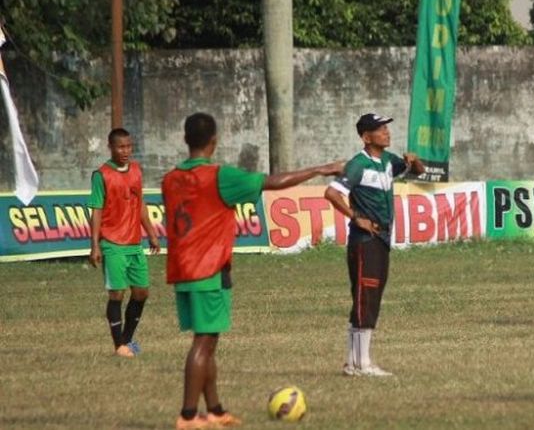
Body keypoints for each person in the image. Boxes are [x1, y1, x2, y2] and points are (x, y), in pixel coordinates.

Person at [163, 113, 343, 429]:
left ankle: (215, 410)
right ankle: (188, 415)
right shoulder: (219, 176)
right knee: (203, 344)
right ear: (214, 141)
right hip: (209, 269)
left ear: (185, 139)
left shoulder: (170, 178)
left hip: (182, 269)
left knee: (207, 342)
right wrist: (319, 169)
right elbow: (272, 182)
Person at [324, 113, 424, 377]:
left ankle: (355, 362)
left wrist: (415, 161)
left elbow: (418, 171)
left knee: (370, 298)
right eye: (380, 130)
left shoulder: (389, 161)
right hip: (364, 241)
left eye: (386, 128)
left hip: (381, 239)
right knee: (364, 297)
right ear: (366, 137)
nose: (386, 133)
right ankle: (361, 364)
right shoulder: (358, 165)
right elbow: (332, 193)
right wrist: (356, 217)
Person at [88, 128, 160, 358]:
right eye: (121, 147)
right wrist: (95, 245)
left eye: (129, 146)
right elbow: (97, 211)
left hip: (133, 242)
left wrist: (151, 232)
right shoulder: (101, 175)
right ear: (110, 147)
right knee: (116, 294)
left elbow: (140, 204)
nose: (126, 151)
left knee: (141, 293)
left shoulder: (137, 171)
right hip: (112, 242)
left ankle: (127, 341)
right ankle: (119, 345)